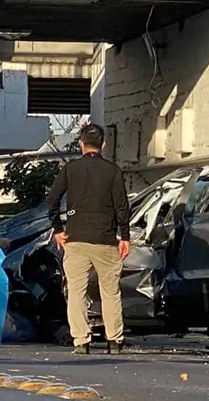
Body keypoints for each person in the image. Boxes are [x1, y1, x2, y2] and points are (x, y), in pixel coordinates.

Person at [46, 123, 131, 355]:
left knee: (76, 291)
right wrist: (125, 236)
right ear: (103, 145)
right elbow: (122, 206)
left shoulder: (70, 169)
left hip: (76, 239)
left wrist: (58, 229)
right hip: (105, 239)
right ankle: (114, 340)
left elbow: (53, 199)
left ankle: (81, 340)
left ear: (81, 144)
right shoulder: (113, 171)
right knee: (110, 291)